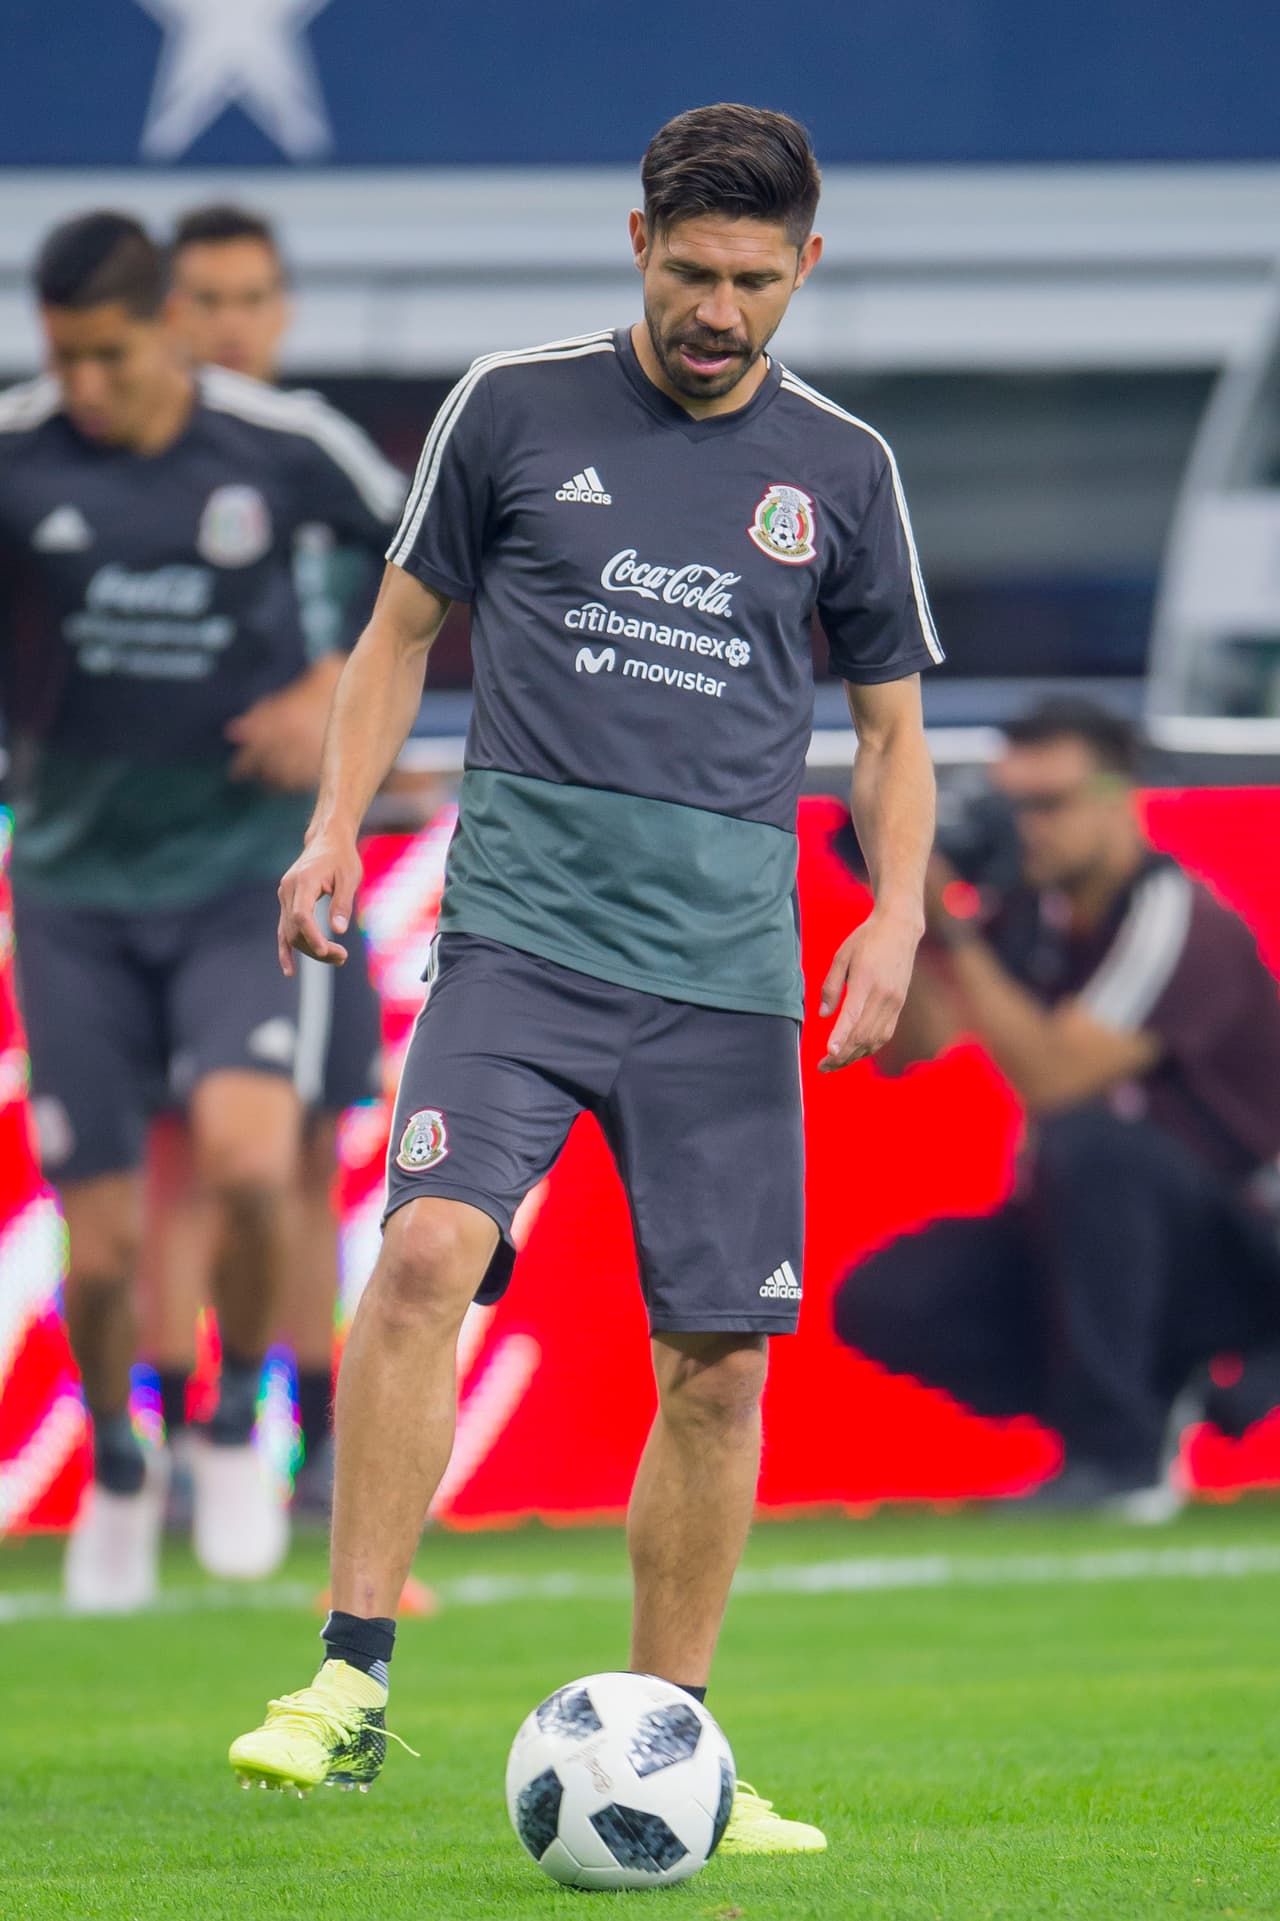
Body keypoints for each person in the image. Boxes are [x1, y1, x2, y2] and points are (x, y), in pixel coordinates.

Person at [230, 103, 942, 1852]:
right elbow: (400, 632)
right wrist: (333, 825)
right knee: (424, 1253)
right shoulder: (513, 404)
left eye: (755, 282)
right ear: (637, 245)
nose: (720, 311)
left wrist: (899, 911)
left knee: (718, 1365)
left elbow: (893, 728)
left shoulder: (843, 468)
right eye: (693, 273)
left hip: (727, 979)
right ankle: (350, 1677)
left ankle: (683, 1740)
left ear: (805, 272)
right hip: (523, 943)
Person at [0, 211, 404, 1610]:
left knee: (248, 1163)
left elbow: (441, 565)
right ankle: (122, 1453)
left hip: (244, 875)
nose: (84, 389)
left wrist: (327, 692)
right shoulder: (17, 452)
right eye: (62, 362)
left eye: (107, 356)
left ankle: (239, 1419)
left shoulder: (280, 446)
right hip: (71, 888)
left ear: (169, 326)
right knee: (101, 1247)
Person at [834, 697, 1280, 1515]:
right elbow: (908, 1049)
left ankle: (1121, 1460)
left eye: (1048, 804)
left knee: (1090, 1142)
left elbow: (1059, 1081)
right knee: (889, 1299)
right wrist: (908, 908)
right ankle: (1132, 1412)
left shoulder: (1175, 916)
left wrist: (959, 931)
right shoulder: (1028, 917)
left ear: (1121, 795)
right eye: (1012, 806)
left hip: (1246, 1254)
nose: (1026, 827)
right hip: (1108, 1251)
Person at [143, 204, 387, 1520]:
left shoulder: (315, 456)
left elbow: (438, 580)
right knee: (169, 1157)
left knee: (293, 1151)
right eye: (203, 299)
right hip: (133, 853)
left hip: (290, 853)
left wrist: (327, 695)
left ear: (282, 310)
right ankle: (180, 1427)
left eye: (251, 297)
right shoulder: (114, 459)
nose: (228, 324)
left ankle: (309, 1425)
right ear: (162, 314)